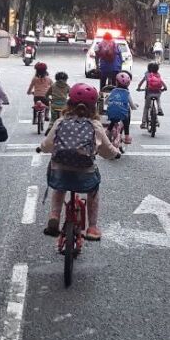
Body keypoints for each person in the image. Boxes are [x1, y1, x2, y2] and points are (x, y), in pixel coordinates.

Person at [40, 83, 121, 242]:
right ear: (94, 107)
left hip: (60, 170)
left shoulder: (61, 121)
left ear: (69, 103)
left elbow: (47, 144)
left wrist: (41, 148)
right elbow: (106, 149)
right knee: (93, 191)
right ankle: (92, 227)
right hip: (85, 173)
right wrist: (115, 154)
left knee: (60, 188)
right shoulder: (95, 125)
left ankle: (55, 215)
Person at [107, 71, 133, 145]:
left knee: (113, 120)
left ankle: (107, 132)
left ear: (116, 82)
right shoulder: (126, 93)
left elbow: (106, 101)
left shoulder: (113, 91)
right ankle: (127, 136)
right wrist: (135, 106)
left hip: (111, 112)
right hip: (122, 114)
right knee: (126, 120)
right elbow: (132, 105)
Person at [138, 62, 166, 129]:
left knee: (146, 107)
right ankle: (159, 109)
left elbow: (141, 82)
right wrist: (164, 88)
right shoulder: (158, 75)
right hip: (157, 92)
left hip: (149, 93)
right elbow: (161, 82)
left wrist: (138, 87)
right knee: (158, 99)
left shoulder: (147, 74)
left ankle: (143, 123)